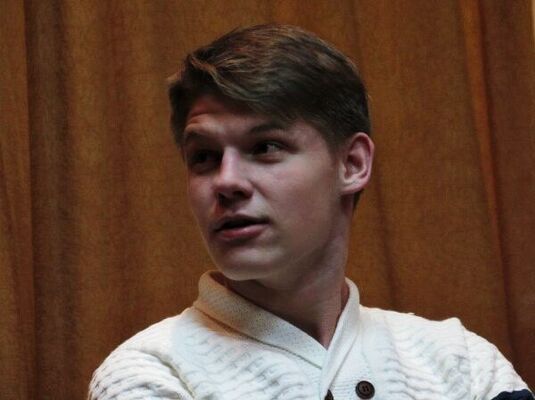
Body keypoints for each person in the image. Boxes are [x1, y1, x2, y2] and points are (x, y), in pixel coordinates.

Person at [88, 24, 532, 400]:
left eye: (265, 147)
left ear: (351, 164)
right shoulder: (150, 374)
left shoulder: (461, 361)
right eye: (203, 157)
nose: (226, 182)